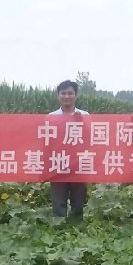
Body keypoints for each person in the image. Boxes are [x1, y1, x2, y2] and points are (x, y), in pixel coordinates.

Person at [49, 80, 89, 219]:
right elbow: (46, 142)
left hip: (78, 163)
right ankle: (59, 225)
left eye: (70, 93)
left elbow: (92, 138)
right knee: (58, 200)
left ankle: (76, 225)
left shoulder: (84, 115)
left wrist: (81, 123)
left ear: (76, 95)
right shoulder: (51, 117)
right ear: (58, 95)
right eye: (63, 93)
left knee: (78, 200)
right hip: (58, 162)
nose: (67, 96)